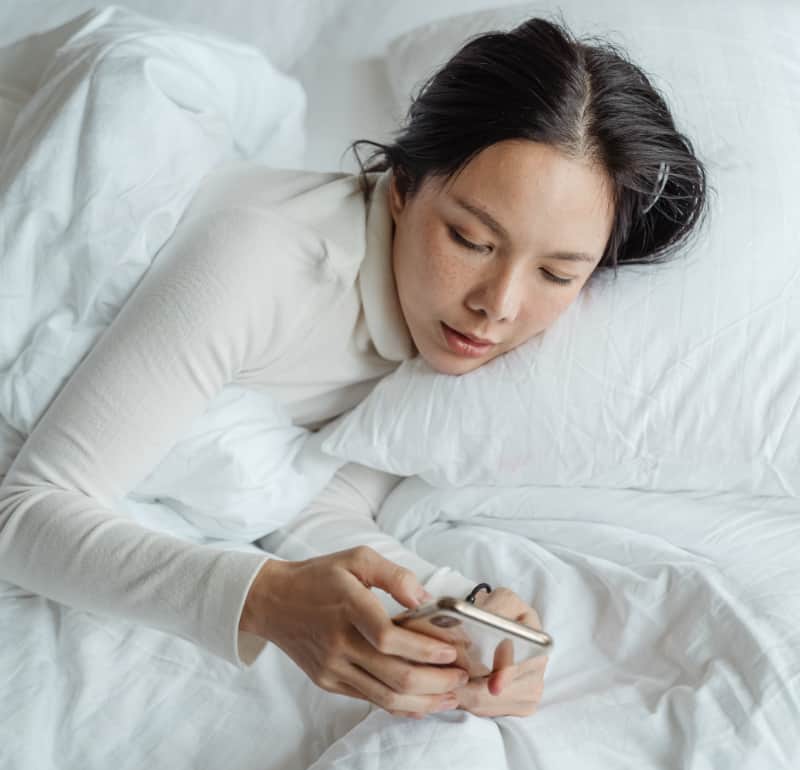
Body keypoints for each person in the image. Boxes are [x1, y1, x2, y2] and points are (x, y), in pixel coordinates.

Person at [0, 17, 707, 721]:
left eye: (557, 273)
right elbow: (27, 510)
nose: (498, 306)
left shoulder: (458, 353)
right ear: (400, 186)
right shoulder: (267, 263)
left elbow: (311, 501)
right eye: (470, 239)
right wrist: (264, 599)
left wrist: (456, 609)